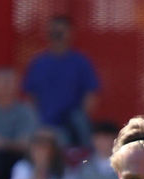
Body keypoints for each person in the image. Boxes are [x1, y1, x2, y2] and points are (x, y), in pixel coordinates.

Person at [22, 14, 100, 148]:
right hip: (43, 124)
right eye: (53, 32)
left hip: (72, 125)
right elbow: (30, 97)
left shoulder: (81, 62)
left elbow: (91, 96)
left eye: (61, 32)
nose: (57, 35)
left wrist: (78, 120)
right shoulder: (38, 63)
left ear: (70, 34)